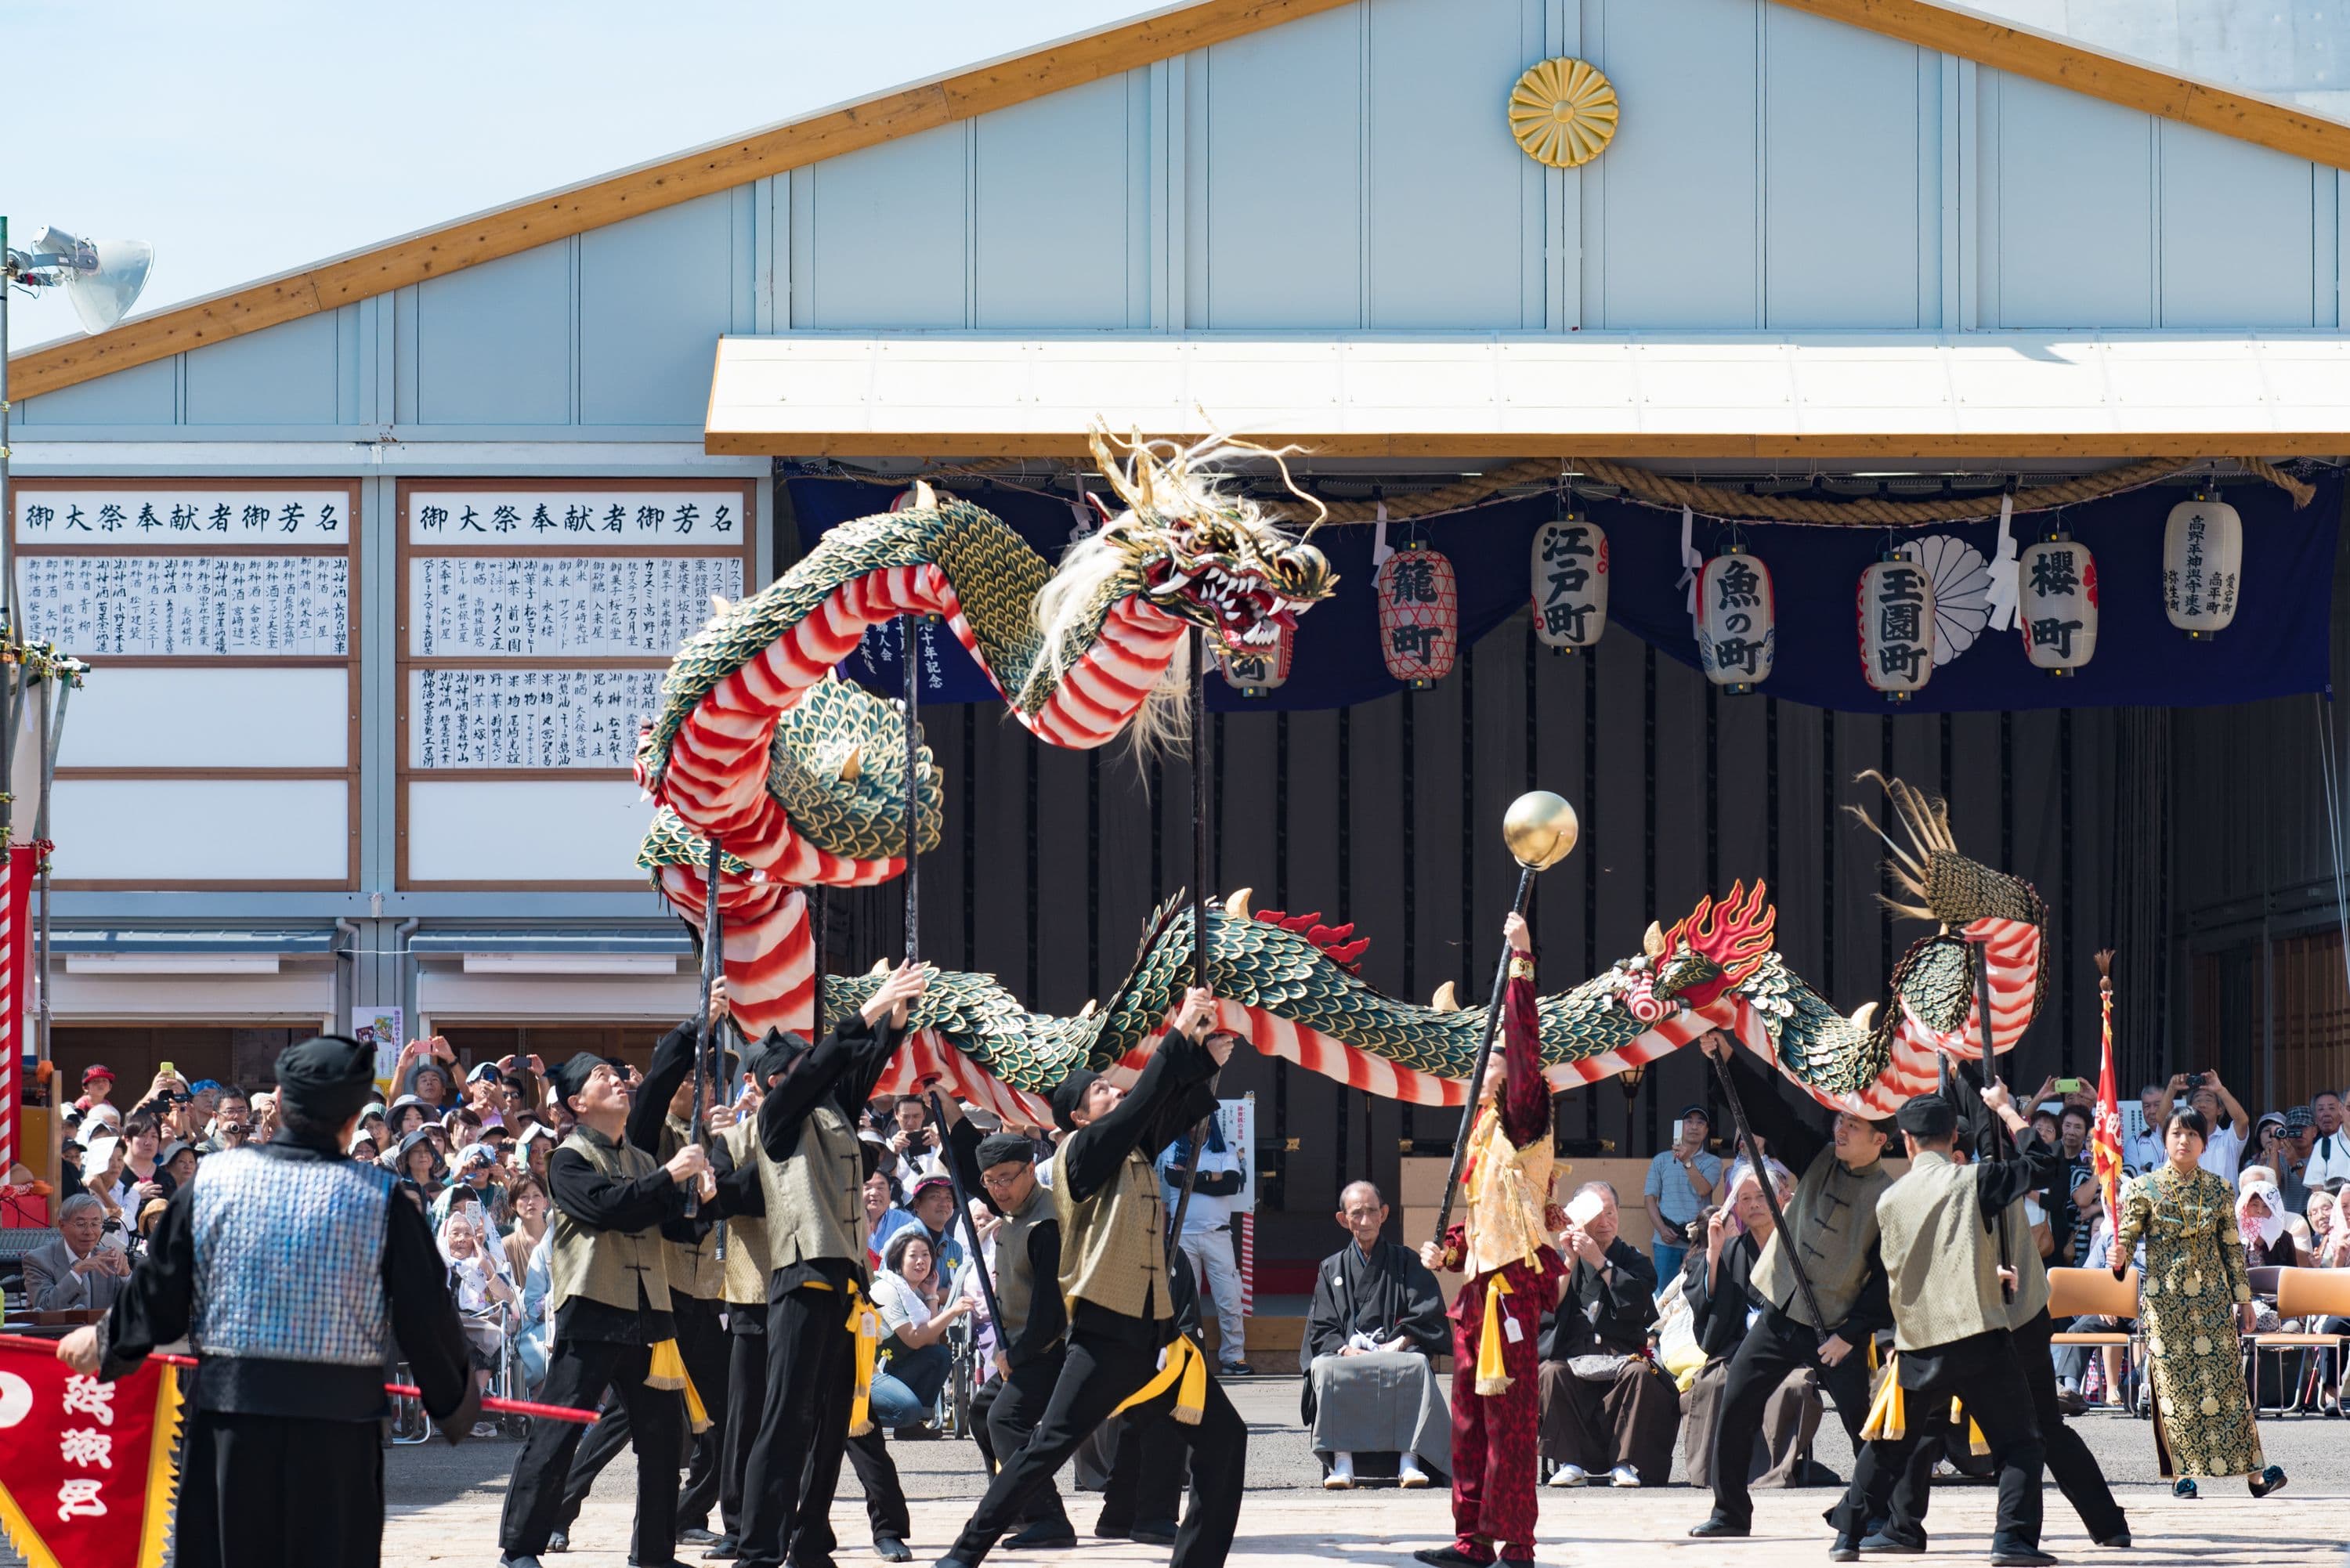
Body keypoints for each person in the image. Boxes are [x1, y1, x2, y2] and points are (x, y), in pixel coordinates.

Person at [56, 1035, 479, 1568]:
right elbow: (426, 1314)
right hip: (338, 1429)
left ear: (278, 1102)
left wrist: (107, 1341)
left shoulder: (213, 1183)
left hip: (233, 1421)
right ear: (353, 1118)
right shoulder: (382, 1198)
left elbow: (160, 1291)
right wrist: (454, 1401)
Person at [932, 985, 1247, 1568]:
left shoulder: (1130, 1149)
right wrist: (1178, 1034)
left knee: (1226, 1437)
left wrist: (1206, 1058)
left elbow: (1165, 1109)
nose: (1114, 1090)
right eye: (1101, 1090)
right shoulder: (1079, 1152)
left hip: (1155, 1334)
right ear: (1077, 1116)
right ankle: (964, 1553)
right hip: (1105, 1332)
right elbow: (1142, 1104)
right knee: (1046, 1445)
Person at [733, 961, 928, 1568]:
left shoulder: (832, 1110)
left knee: (837, 1417)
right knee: (786, 1418)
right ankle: (758, 1548)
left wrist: (895, 1018)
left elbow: (858, 1066)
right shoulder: (778, 1115)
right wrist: (870, 1007)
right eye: (797, 1066)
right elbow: (824, 1065)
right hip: (802, 1276)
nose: (810, 1070)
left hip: (846, 1284)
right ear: (775, 1080)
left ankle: (811, 1540)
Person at [494, 1049, 714, 1568]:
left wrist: (705, 1200)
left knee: (663, 1440)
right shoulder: (567, 1159)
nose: (616, 1081)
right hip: (593, 1307)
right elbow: (609, 1209)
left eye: (617, 1076)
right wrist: (669, 1176)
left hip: (650, 1310)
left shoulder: (642, 1161)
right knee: (558, 1432)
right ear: (577, 1103)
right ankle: (520, 1547)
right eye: (602, 1077)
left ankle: (654, 1554)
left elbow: (676, 1229)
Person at [1826, 1089, 2054, 1566]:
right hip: (1978, 1336)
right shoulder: (1973, 1180)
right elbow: (2043, 1164)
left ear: (1906, 1141)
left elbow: (1904, 1270)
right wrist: (2007, 1111)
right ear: (1952, 1137)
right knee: (2019, 1443)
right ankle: (2011, 1540)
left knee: (1889, 1446)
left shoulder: (1889, 1199)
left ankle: (1848, 1534)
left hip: (1918, 1341)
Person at [548, 1010, 743, 1558]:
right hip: (660, 1290)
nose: (703, 1087)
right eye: (692, 1077)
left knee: (720, 1415)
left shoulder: (712, 1133)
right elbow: (654, 1090)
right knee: (621, 1422)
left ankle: (689, 1516)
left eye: (710, 1079)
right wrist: (695, 1028)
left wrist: (727, 1143)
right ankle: (560, 1511)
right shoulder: (647, 1131)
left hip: (704, 1293)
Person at [1687, 1027, 1891, 1541]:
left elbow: (1885, 1280)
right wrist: (1728, 1058)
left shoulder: (1888, 1198)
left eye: (1854, 1125)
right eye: (1841, 1119)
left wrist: (1851, 1333)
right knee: (1735, 1401)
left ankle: (1879, 1514)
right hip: (1781, 1313)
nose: (1841, 1128)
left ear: (1880, 1140)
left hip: (1836, 1331)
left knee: (1862, 1423)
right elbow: (1773, 1113)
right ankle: (1730, 1512)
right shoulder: (1817, 1155)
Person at [1414, 912, 1562, 1568]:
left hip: (1512, 1289)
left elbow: (1525, 1051)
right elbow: (1481, 1216)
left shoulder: (1527, 1117)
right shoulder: (1479, 1132)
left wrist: (1522, 965)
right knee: (1470, 1422)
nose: (1483, 1063)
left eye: (1492, 1055)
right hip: (1477, 1292)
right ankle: (1470, 1538)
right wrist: (1449, 1250)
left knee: (1512, 1423)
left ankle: (1517, 1543)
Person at [2113, 1105, 2289, 1499]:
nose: (2184, 1140)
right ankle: (2182, 1474)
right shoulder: (2144, 1188)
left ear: (2204, 1143)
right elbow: (2127, 1237)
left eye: (2193, 1134)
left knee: (2229, 1387)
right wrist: (2119, 1256)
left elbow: (2231, 1248)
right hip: (2166, 1304)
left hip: (2212, 1302)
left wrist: (2243, 1299)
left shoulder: (2219, 1189)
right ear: (2165, 1139)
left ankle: (2256, 1475)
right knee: (2175, 1389)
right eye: (2177, 1133)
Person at [952, 1127, 1078, 1548]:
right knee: (982, 1414)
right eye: (990, 1181)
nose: (998, 1190)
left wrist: (1017, 1355)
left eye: (1006, 1178)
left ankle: (1048, 1517)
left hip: (1053, 1346)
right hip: (1023, 1343)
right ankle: (1011, 1506)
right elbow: (967, 1166)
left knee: (1006, 1420)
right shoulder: (1010, 1201)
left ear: (1030, 1170)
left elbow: (1051, 1312)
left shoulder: (1046, 1223)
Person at [1679, 1160, 1822, 1492]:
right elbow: (1706, 1301)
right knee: (1712, 1383)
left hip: (1788, 1352)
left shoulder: (1800, 1247)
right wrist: (1714, 1253)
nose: (1754, 1204)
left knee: (1793, 1387)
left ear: (1781, 1198)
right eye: (1745, 1199)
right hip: (1737, 1350)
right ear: (1736, 1207)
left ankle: (1773, 1472)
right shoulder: (1729, 1250)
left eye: (1761, 1196)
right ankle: (1716, 1473)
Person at [1300, 1179, 1449, 1489]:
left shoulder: (1407, 1262)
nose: (1365, 1221)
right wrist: (1345, 1349)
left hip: (1396, 1350)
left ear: (1384, 1214)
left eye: (1371, 1212)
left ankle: (1410, 1460)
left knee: (1416, 1364)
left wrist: (1401, 1342)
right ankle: (1342, 1462)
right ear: (1343, 1219)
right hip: (1348, 1353)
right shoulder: (1331, 1268)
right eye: (1356, 1213)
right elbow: (1321, 1326)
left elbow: (1428, 1314)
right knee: (1325, 1367)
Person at [1536, 1181, 1676, 1488]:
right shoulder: (1558, 1260)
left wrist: (1600, 1261)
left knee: (1641, 1373)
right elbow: (1548, 1305)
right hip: (1573, 1354)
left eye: (1610, 1212)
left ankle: (1622, 1464)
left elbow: (1639, 1300)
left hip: (1621, 1356)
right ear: (1578, 1219)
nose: (1605, 1221)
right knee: (1550, 1372)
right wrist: (1570, 1260)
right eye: (1596, 1214)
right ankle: (1570, 1463)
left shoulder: (1633, 1259)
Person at [1157, 1112, 1250, 1375]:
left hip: (1218, 1235)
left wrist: (1194, 1177)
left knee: (1229, 1297)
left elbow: (1230, 1185)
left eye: (1204, 1119)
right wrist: (1212, 1176)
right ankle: (1183, 1359)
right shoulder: (1173, 1150)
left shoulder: (1226, 1150)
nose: (1198, 1124)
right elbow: (1174, 1179)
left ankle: (1234, 1357)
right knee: (1183, 1301)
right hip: (1182, 1236)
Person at [1643, 1105, 1722, 1283]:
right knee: (1664, 1292)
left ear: (1706, 1131)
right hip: (1665, 1241)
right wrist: (1662, 1229)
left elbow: (1703, 1190)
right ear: (1680, 1126)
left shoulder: (1713, 1162)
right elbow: (1649, 1199)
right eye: (1689, 1121)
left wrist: (1686, 1160)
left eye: (1700, 1123)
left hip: (1698, 1241)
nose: (1694, 1127)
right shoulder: (1661, 1160)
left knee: (1696, 1291)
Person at [20, 1190, 132, 1313]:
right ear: (62, 1226)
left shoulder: (109, 1258)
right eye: (81, 1224)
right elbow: (45, 1309)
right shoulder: (37, 1260)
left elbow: (138, 1308)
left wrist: (126, 1275)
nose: (89, 1231)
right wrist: (77, 1272)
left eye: (95, 1224)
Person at [2306, 1091, 2350, 1189]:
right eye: (2321, 1109)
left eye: (2331, 1108)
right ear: (2341, 1110)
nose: (2326, 1114)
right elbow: (2317, 1189)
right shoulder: (2322, 1146)